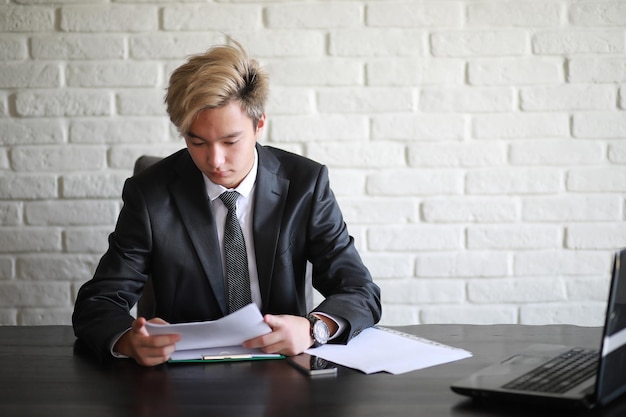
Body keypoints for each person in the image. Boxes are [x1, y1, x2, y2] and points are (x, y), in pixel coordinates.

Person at [72, 40, 382, 366]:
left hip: (281, 369)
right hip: (182, 375)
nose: (215, 160)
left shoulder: (306, 184)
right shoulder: (150, 194)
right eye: (197, 141)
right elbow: (98, 303)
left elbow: (360, 291)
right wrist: (128, 340)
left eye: (230, 141)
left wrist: (312, 328)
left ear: (259, 123)